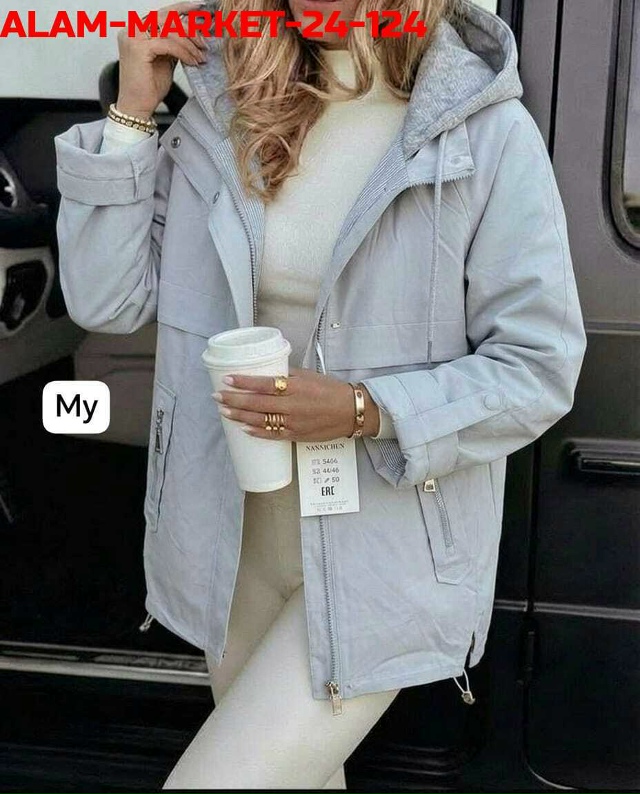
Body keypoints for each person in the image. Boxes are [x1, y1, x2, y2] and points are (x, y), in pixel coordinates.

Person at [53, 0, 587, 787]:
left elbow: (539, 366)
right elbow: (107, 299)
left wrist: (364, 409)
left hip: (383, 554)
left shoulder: (483, 132)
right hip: (233, 538)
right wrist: (133, 113)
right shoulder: (225, 110)